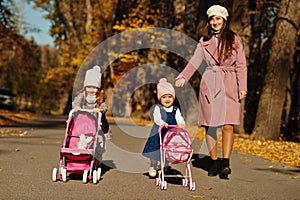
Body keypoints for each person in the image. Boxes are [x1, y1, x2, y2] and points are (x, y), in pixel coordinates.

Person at [175, 5, 247, 179]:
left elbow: (241, 64)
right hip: (210, 83)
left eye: (218, 19)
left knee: (228, 125)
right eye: (212, 19)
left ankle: (226, 162)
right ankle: (214, 161)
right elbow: (194, 61)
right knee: (211, 126)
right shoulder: (203, 41)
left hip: (230, 83)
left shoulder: (234, 39)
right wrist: (183, 77)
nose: (215, 22)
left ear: (224, 20)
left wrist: (242, 86)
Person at [142, 78, 185, 177]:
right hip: (159, 132)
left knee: (169, 149)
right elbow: (156, 118)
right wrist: (162, 123)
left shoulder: (175, 109)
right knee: (155, 149)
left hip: (171, 132)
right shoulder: (158, 108)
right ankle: (153, 164)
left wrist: (181, 124)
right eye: (164, 97)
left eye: (170, 97)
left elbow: (179, 118)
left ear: (173, 98)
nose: (167, 99)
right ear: (160, 98)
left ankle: (164, 165)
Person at [72, 65, 110, 135]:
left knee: (98, 132)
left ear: (98, 89)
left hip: (95, 120)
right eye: (89, 87)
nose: (91, 90)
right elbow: (76, 102)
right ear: (85, 87)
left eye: (94, 88)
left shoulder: (99, 97)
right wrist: (76, 106)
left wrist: (100, 109)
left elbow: (104, 106)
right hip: (83, 119)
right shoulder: (82, 95)